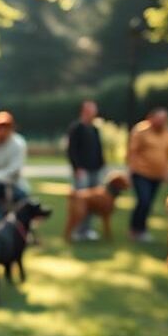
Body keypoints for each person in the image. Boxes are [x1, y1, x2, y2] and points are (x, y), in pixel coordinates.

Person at [127, 107, 168, 242]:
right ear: (150, 118)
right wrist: (131, 170)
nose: (162, 122)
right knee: (143, 200)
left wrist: (167, 171)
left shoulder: (167, 132)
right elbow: (133, 152)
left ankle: (142, 230)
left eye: (164, 119)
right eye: (159, 119)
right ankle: (135, 229)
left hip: (157, 174)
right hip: (141, 173)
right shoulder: (141, 130)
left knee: (149, 203)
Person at [66, 100, 105, 240]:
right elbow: (71, 150)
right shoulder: (76, 128)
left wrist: (102, 166)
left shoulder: (94, 129)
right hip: (82, 172)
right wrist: (77, 168)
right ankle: (77, 231)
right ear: (84, 111)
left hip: (95, 170)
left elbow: (99, 149)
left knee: (93, 204)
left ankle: (87, 230)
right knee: (79, 204)